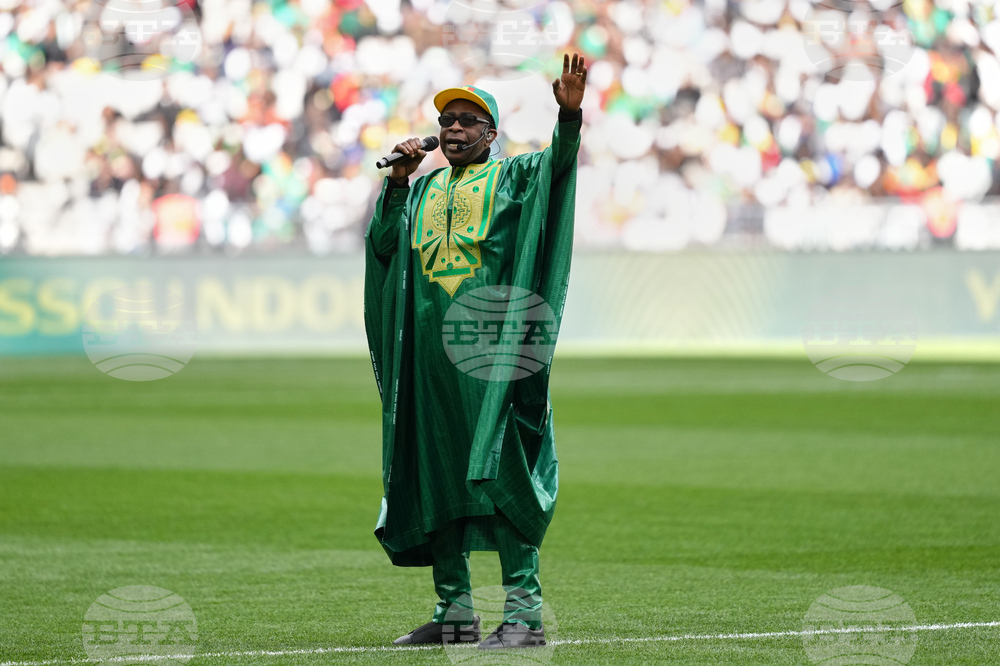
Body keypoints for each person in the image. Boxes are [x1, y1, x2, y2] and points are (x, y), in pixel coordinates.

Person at [363, 53, 587, 649]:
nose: (454, 130)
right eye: (447, 122)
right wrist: (397, 180)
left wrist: (569, 119)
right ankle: (455, 613)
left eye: (467, 121)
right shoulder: (425, 185)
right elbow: (385, 245)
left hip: (491, 353)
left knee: (501, 468)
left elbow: (557, 170)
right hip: (428, 357)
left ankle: (525, 615)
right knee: (433, 471)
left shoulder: (512, 177)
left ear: (491, 134)